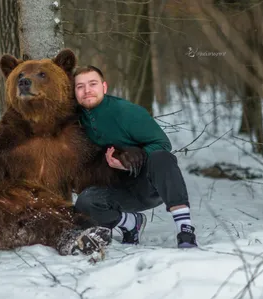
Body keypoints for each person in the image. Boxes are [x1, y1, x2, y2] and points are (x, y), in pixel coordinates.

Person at [73, 65, 197, 248]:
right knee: (85, 202)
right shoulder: (75, 117)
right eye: (80, 86)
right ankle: (131, 223)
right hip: (115, 190)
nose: (87, 90)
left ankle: (185, 229)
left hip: (148, 185)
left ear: (104, 87)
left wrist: (133, 157)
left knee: (162, 157)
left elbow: (163, 144)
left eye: (93, 84)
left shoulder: (127, 112)